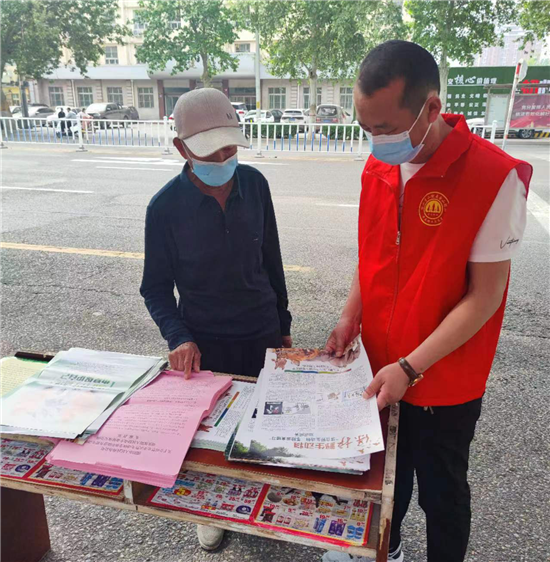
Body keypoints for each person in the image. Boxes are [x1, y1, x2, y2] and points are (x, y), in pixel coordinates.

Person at [323, 40, 531, 562]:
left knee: (442, 492)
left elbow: (484, 298)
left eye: (387, 130)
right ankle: (383, 549)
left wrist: (412, 367)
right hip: (380, 363)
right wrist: (352, 314)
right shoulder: (381, 166)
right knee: (387, 473)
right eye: (366, 129)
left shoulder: (492, 178)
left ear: (431, 107)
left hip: (443, 377)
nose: (376, 143)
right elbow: (371, 254)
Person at [140, 88, 292, 551]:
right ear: (181, 149)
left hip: (262, 331)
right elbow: (155, 288)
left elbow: (272, 261)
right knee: (206, 440)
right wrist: (179, 336)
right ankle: (210, 509)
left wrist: (284, 328)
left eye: (230, 147)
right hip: (205, 342)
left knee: (266, 425)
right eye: (211, 151)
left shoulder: (256, 185)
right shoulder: (164, 209)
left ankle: (264, 497)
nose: (225, 158)